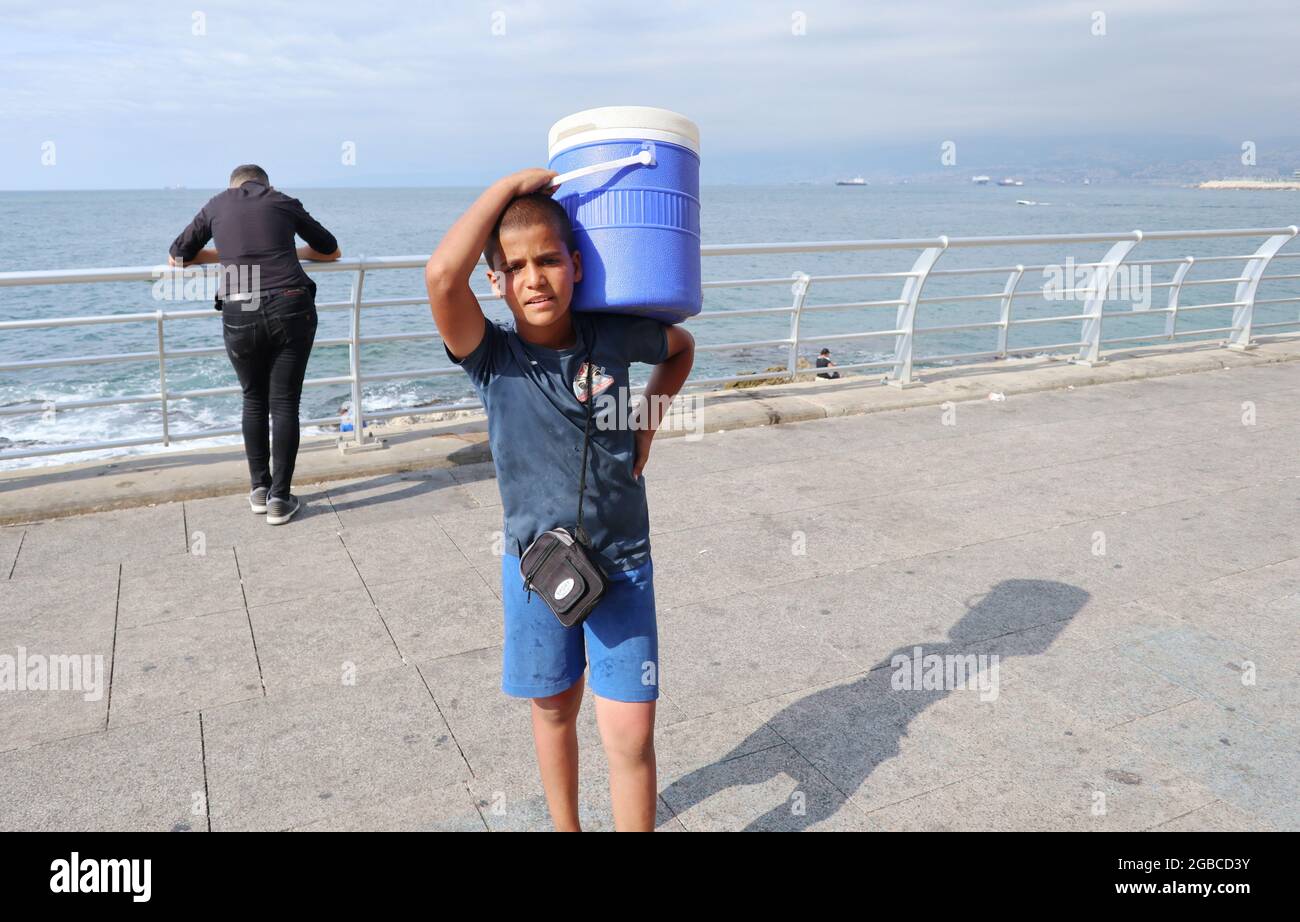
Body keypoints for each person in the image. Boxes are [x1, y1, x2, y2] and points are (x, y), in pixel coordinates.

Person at [425, 167, 695, 832]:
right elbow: (439, 277)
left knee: (630, 734)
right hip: (536, 572)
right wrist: (504, 189)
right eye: (514, 267)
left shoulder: (613, 336)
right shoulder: (491, 358)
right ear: (496, 281)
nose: (535, 278)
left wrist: (648, 422)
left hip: (624, 564)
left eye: (549, 260)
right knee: (552, 711)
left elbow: (681, 347)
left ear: (576, 264)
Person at [168, 164, 341, 525]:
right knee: (285, 403)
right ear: (267, 185)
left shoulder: (218, 204)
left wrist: (227, 257)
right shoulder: (282, 201)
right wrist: (292, 252)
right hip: (291, 303)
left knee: (253, 398)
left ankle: (260, 490)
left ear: (233, 187)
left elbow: (178, 255)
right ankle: (280, 499)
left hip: (240, 306)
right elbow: (330, 249)